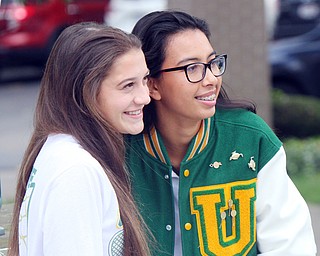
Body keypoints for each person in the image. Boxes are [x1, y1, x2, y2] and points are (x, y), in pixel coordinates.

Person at [125, 10, 317, 255]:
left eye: (213, 63)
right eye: (192, 68)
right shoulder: (121, 148)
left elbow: (291, 247)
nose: (212, 79)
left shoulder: (250, 139)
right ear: (152, 84)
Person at [8, 22, 151, 256]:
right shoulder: (76, 170)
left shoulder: (60, 151)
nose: (144, 97)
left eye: (144, 79)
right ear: (84, 91)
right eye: (128, 86)